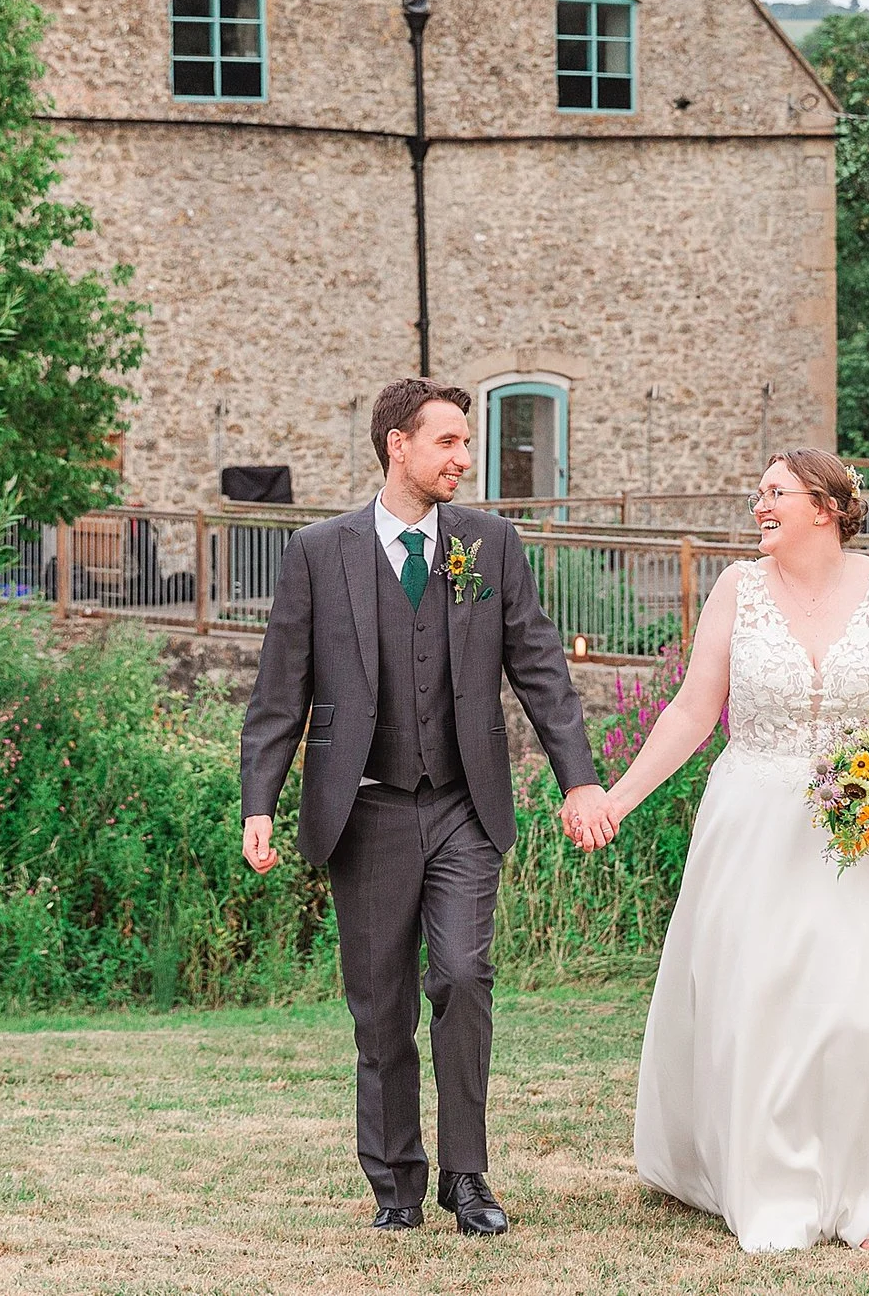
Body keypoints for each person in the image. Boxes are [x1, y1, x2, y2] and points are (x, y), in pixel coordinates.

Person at [595, 448, 869, 1252]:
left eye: (775, 493)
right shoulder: (736, 590)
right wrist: (620, 797)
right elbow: (693, 710)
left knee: (864, 1010)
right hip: (754, 823)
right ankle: (772, 1181)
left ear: (827, 505)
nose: (759, 506)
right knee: (761, 1006)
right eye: (759, 495)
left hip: (867, 833)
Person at [238, 378, 616, 1236]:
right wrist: (259, 798)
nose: (463, 458)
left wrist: (579, 777)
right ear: (396, 446)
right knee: (380, 1006)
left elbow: (540, 665)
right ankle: (395, 1184)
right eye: (447, 441)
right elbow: (278, 692)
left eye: (465, 441)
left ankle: (468, 1175)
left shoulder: (488, 542)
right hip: (364, 810)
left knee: (462, 975)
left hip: (461, 806)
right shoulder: (318, 552)